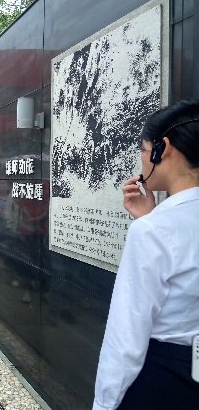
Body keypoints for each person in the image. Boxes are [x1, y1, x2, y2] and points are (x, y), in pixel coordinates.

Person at [94, 100, 199, 410]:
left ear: (162, 149)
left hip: (165, 377)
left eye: (143, 149)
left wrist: (104, 403)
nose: (141, 159)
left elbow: (126, 336)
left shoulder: (153, 231)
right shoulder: (156, 227)